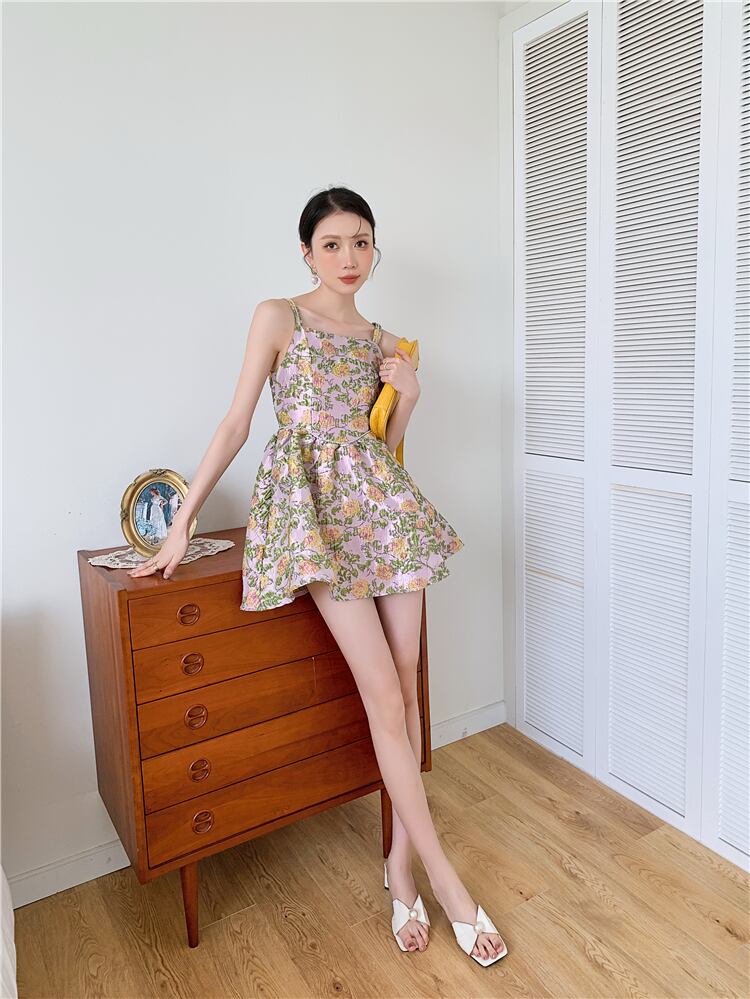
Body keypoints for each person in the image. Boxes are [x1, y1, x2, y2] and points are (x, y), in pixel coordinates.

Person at [128, 186, 507, 966]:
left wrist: (409, 397)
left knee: (408, 688)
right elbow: (237, 422)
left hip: (383, 510)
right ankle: (446, 879)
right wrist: (183, 522)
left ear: (374, 249)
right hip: (313, 514)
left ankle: (399, 864)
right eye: (332, 243)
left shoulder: (386, 341)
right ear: (307, 252)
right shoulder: (279, 317)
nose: (348, 256)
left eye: (361, 241)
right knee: (383, 696)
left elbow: (387, 451)